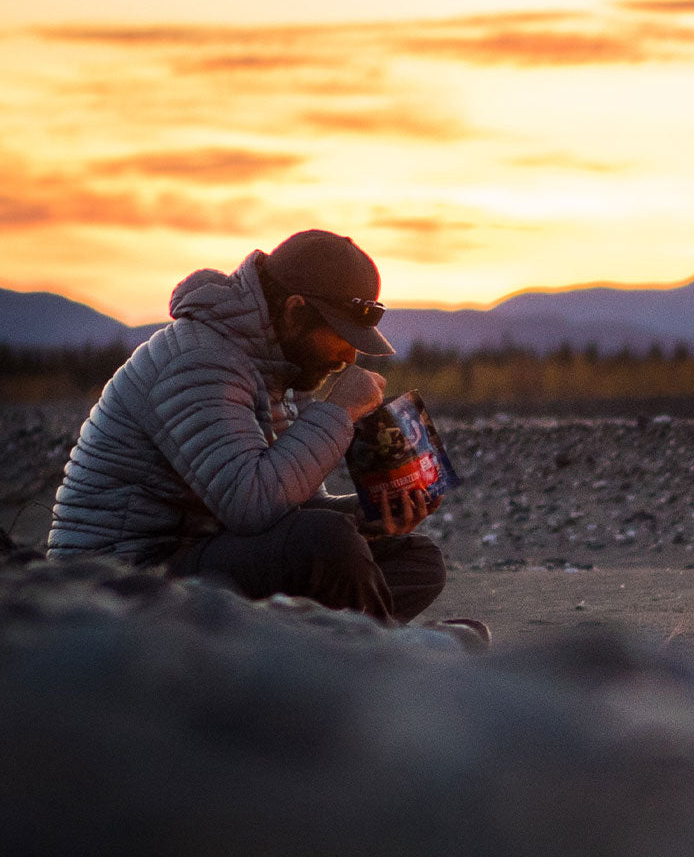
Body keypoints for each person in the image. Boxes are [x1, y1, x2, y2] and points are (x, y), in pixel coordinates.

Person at [47, 229, 447, 625]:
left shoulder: (283, 369)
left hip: (201, 554)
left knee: (416, 560)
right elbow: (253, 505)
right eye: (341, 335)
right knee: (327, 543)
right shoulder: (199, 360)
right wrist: (339, 412)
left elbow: (293, 507)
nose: (349, 354)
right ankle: (375, 657)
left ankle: (308, 652)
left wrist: (369, 514)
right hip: (122, 578)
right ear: (294, 311)